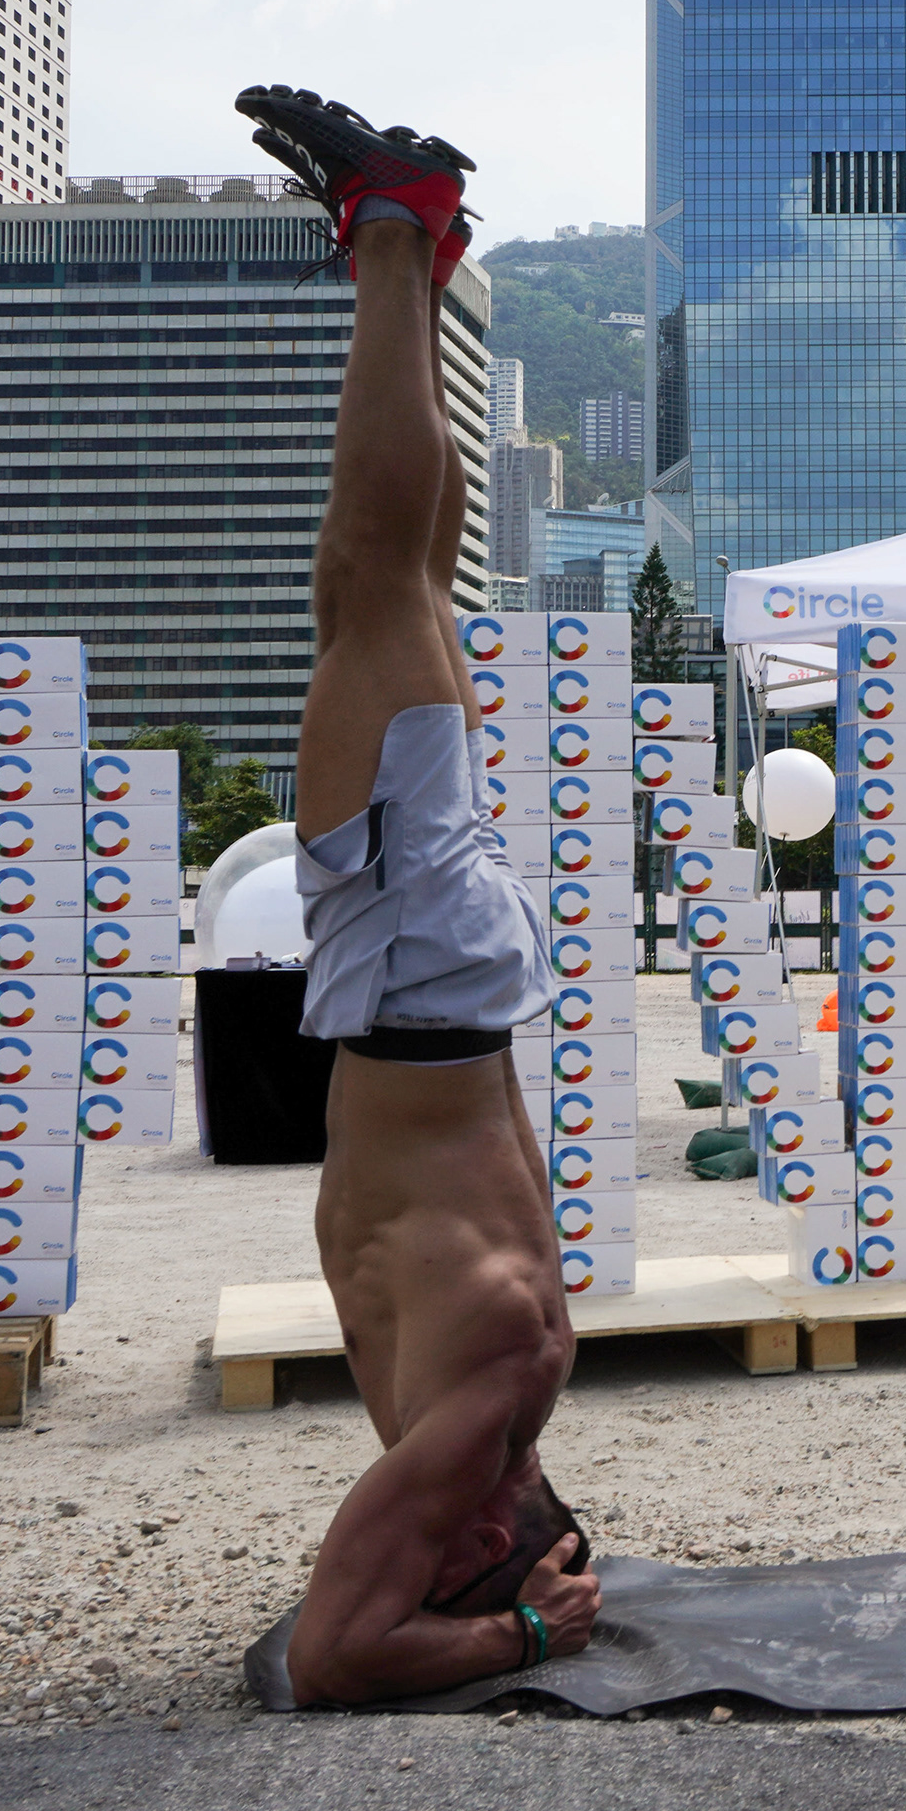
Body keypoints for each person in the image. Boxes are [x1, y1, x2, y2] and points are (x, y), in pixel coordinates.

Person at [233, 86, 599, 1706]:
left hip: (443, 989)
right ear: (480, 1539)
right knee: (369, 584)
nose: (402, 1534)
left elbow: (344, 1618)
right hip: (418, 982)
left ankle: (418, 254)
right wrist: (520, 1636)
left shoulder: (503, 1396)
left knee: (386, 589)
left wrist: (516, 1588)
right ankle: (393, 222)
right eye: (452, 1549)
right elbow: (324, 1659)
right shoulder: (482, 1405)